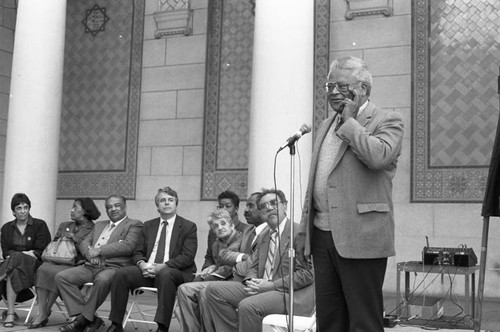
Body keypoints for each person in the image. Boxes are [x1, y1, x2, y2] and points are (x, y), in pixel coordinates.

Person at [295, 56, 404, 331]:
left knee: (363, 321)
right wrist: (303, 232)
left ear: (363, 90)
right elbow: (315, 182)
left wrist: (351, 121)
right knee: (330, 320)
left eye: (342, 86)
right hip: (322, 236)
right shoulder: (324, 125)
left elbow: (378, 157)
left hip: (361, 236)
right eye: (329, 85)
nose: (333, 92)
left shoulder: (387, 120)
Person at [204, 189, 315, 332]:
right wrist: (251, 280)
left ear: (285, 206)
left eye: (274, 203)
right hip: (261, 287)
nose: (269, 208)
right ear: (261, 212)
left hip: (288, 293)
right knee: (213, 290)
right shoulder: (263, 236)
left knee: (247, 306)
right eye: (263, 206)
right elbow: (254, 265)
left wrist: (271, 285)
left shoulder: (298, 233)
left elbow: (307, 274)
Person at [105, 187, 197, 332]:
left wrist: (163, 266)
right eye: (162, 200)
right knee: (121, 274)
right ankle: (116, 324)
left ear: (176, 204)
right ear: (157, 206)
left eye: (170, 200)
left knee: (165, 274)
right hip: (148, 271)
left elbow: (187, 257)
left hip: (174, 272)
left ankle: (162, 327)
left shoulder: (188, 226)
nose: (167, 203)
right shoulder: (148, 225)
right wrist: (142, 264)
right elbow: (138, 251)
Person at [55, 195, 143, 332]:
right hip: (91, 265)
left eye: (117, 205)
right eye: (109, 207)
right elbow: (84, 242)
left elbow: (128, 246)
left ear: (125, 206)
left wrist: (99, 251)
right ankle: (90, 318)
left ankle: (82, 321)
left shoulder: (134, 224)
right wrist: (90, 256)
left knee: (102, 280)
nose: (113, 209)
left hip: (114, 267)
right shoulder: (100, 225)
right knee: (62, 277)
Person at [28, 198, 101, 329]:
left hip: (76, 263)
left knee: (58, 273)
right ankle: (43, 311)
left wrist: (75, 239)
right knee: (43, 269)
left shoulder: (94, 228)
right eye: (72, 207)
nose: (71, 210)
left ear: (85, 211)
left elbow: (90, 250)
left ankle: (45, 312)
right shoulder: (64, 225)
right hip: (57, 259)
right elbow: (55, 244)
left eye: (75, 208)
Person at [177, 209, 242, 332]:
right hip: (219, 280)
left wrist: (213, 273)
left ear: (232, 225)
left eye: (223, 223)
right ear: (213, 230)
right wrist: (211, 268)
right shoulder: (216, 244)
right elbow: (218, 263)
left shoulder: (240, 239)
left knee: (204, 292)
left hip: (234, 281)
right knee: (183, 290)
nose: (220, 228)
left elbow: (229, 265)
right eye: (216, 226)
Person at [0, 193, 51, 328]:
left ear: (29, 208)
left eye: (25, 207)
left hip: (35, 266)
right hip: (14, 265)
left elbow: (42, 250)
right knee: (14, 269)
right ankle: (10, 313)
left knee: (16, 256)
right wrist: (21, 254)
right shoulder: (6, 228)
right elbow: (5, 252)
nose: (23, 211)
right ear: (13, 211)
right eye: (19, 208)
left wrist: (23, 254)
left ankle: (2, 274)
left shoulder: (40, 225)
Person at [202, 190, 252, 276]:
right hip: (214, 272)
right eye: (221, 206)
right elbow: (209, 256)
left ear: (236, 209)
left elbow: (230, 256)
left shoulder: (246, 230)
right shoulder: (213, 232)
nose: (224, 209)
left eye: (228, 206)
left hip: (234, 274)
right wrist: (209, 267)